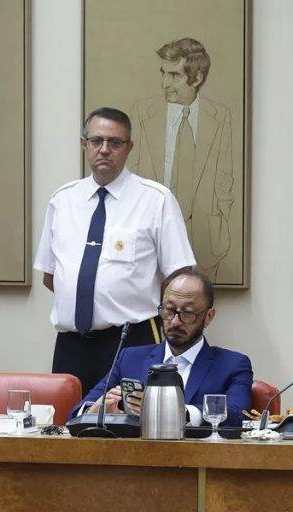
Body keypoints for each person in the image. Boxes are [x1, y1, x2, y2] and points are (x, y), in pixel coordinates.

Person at [34, 107, 195, 395]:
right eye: (96, 141)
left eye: (115, 142)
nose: (104, 149)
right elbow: (51, 277)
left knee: (130, 424)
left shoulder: (155, 200)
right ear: (84, 145)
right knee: (68, 428)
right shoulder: (63, 200)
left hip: (132, 339)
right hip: (72, 343)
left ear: (129, 147)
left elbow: (181, 276)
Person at [70, 271, 253, 427]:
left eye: (187, 313)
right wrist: (96, 410)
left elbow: (237, 415)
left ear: (208, 317)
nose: (174, 321)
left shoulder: (232, 365)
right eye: (169, 310)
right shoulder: (130, 358)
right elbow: (76, 413)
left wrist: (171, 411)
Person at [130, 37, 234, 280]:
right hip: (149, 242)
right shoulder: (143, 113)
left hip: (206, 241)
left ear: (197, 78)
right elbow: (131, 173)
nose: (165, 83)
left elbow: (225, 179)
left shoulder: (219, 116)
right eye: (163, 73)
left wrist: (218, 218)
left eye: (174, 75)